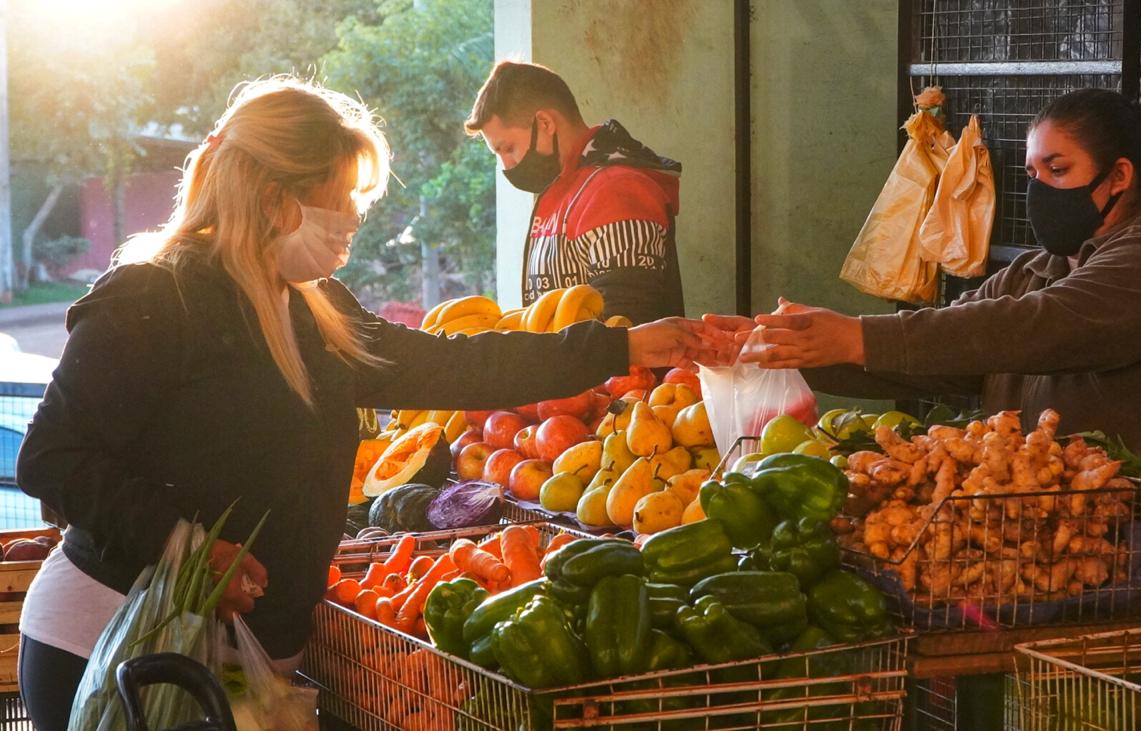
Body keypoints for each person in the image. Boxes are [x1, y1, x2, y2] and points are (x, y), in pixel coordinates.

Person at [14, 77, 713, 731]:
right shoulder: (152, 296)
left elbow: (452, 365)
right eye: (340, 195)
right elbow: (51, 458)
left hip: (245, 667)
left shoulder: (316, 309)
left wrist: (622, 346)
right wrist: (190, 550)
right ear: (272, 195)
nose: (352, 216)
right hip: (119, 647)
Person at [705, 88, 1141, 482]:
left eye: (1058, 170)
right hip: (1061, 536)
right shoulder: (1038, 269)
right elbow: (947, 350)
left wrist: (856, 335)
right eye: (1033, 174)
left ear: (1119, 176)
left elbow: (1041, 328)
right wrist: (780, 346)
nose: (1040, 189)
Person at [465, 61, 684, 324]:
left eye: (508, 148)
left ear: (545, 123)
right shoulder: (564, 188)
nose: (507, 166)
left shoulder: (615, 189)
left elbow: (626, 328)